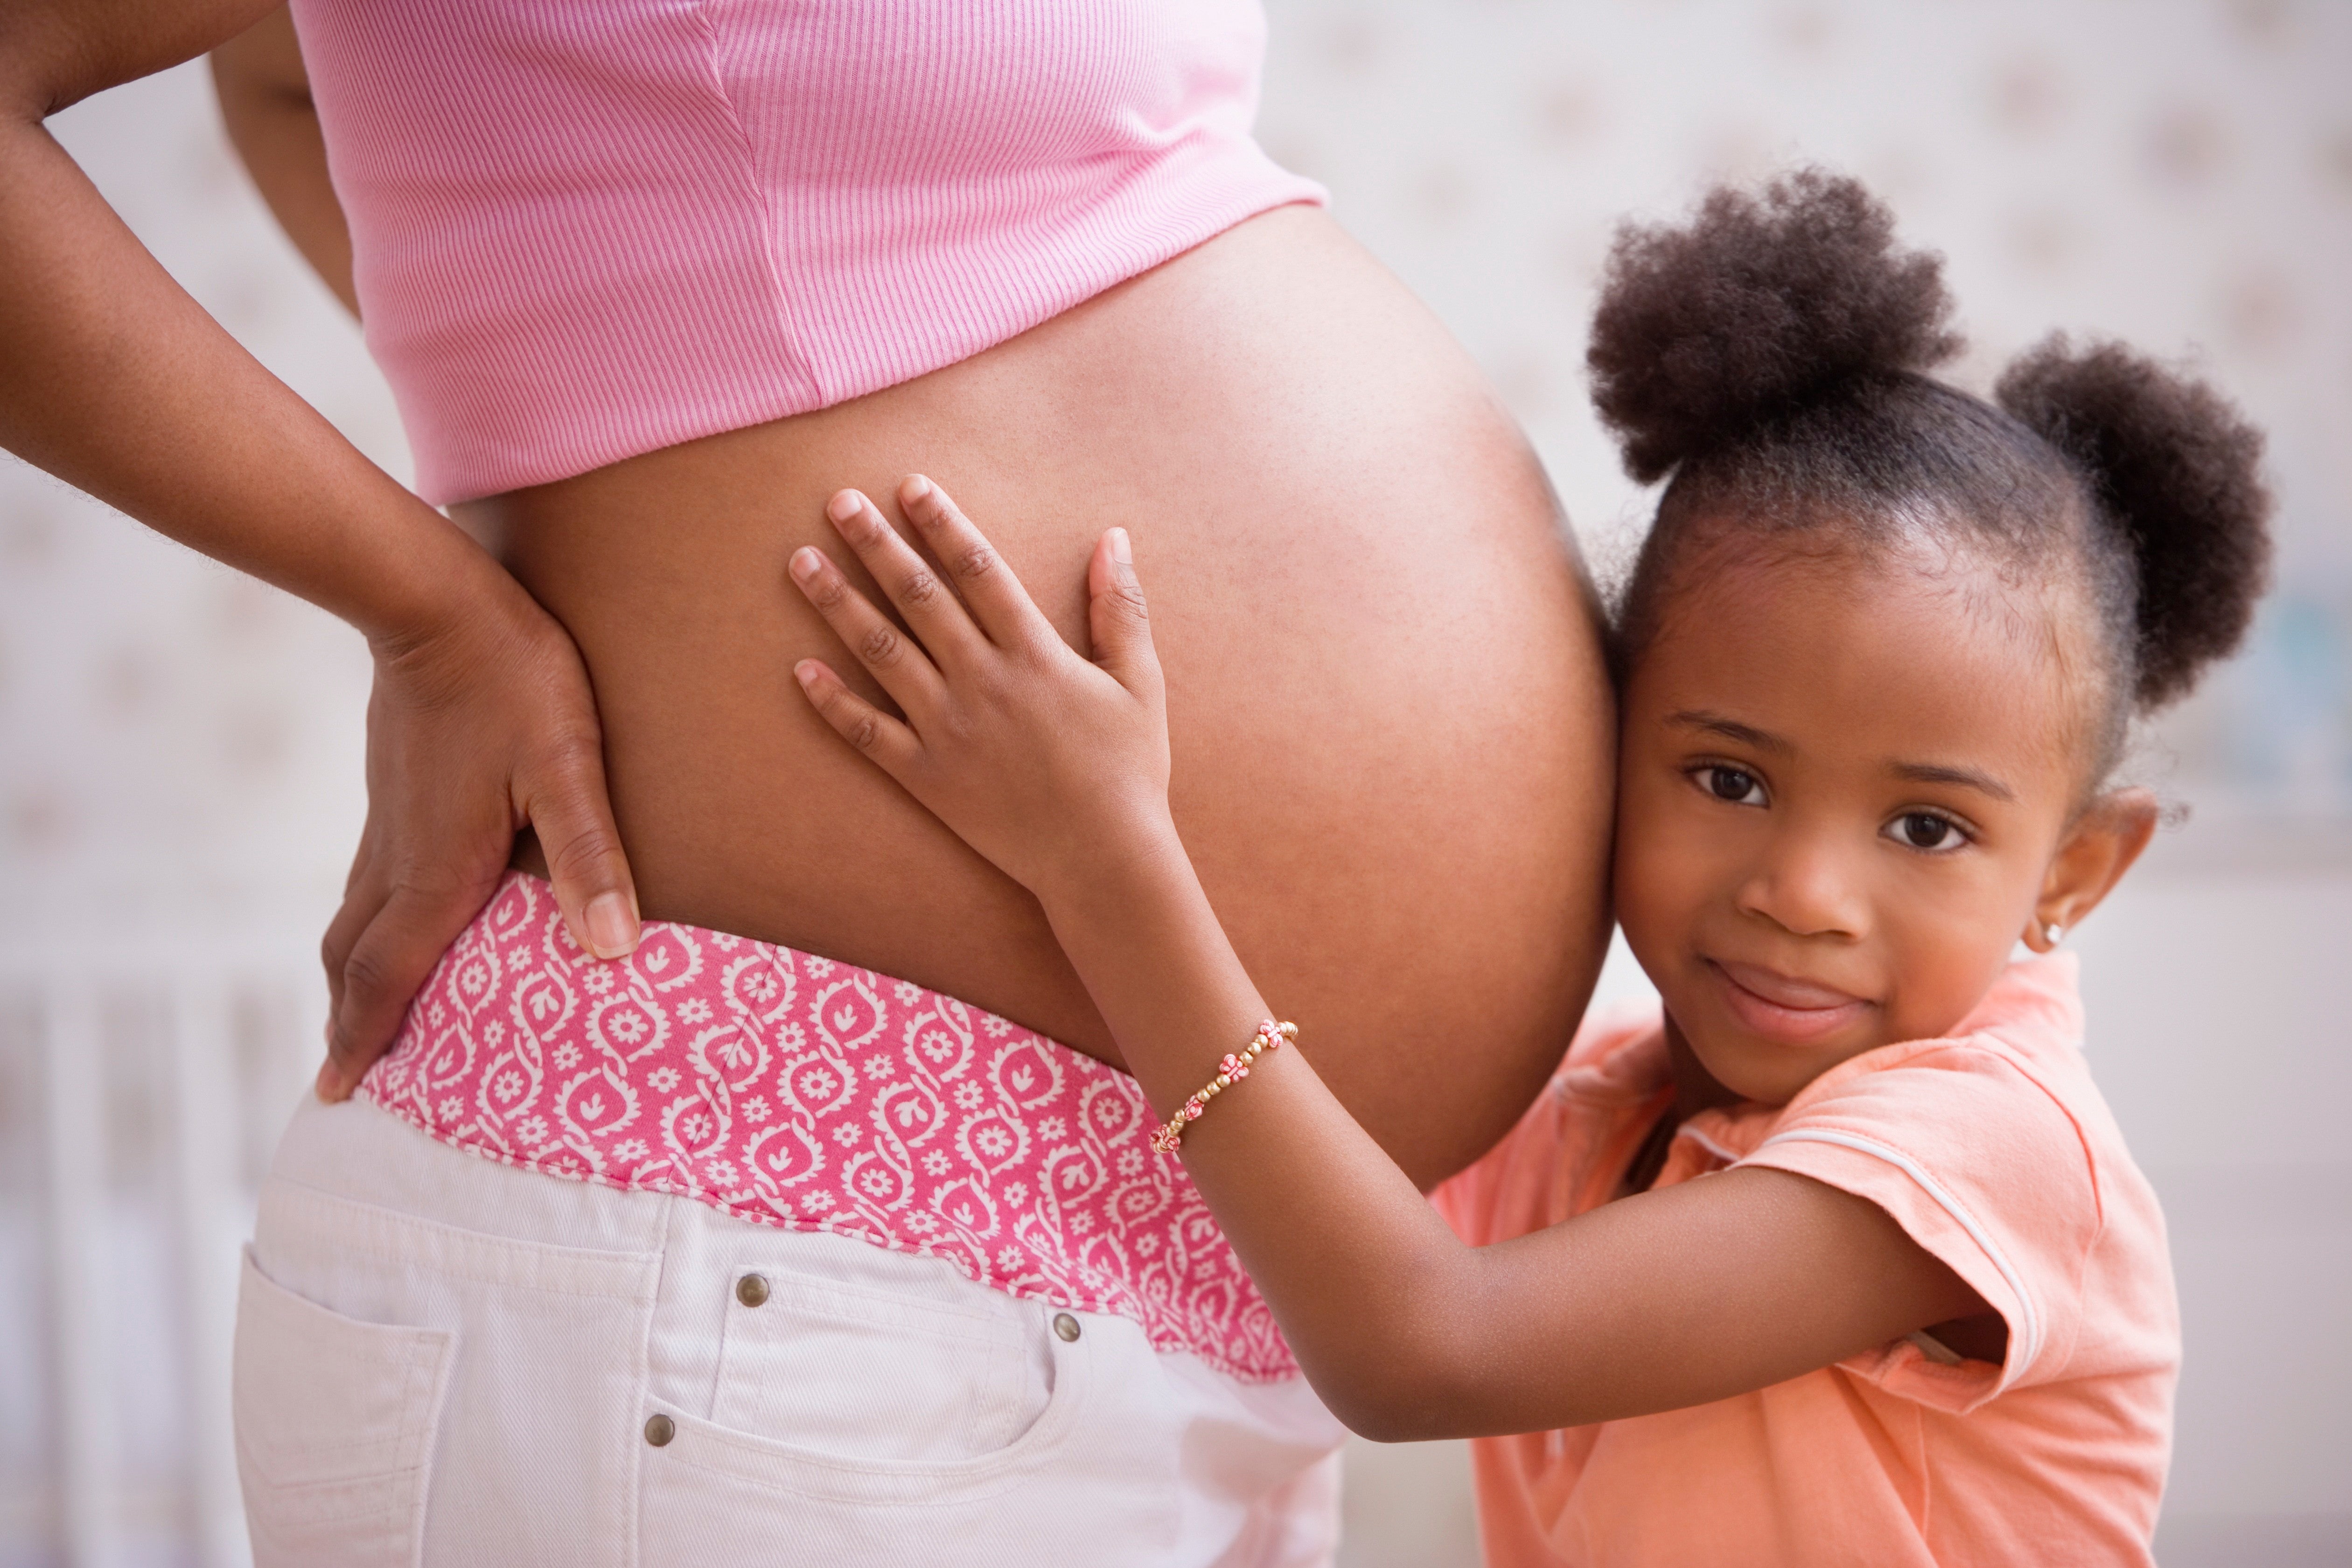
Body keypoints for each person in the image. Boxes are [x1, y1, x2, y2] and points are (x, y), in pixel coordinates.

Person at [6, 1, 1613, 1561]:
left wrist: (602, 375)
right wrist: (431, 610)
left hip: (1181, 1306)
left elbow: (300, 74)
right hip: (778, 1254)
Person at [782, 171, 2269, 1566]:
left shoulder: (1994, 1150)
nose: (1800, 890)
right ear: (1597, 749)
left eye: (1926, 827)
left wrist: (1105, 859)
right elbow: (1302, 1176)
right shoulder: (1605, 1112)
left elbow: (1421, 1347)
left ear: (2076, 868)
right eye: (1727, 778)